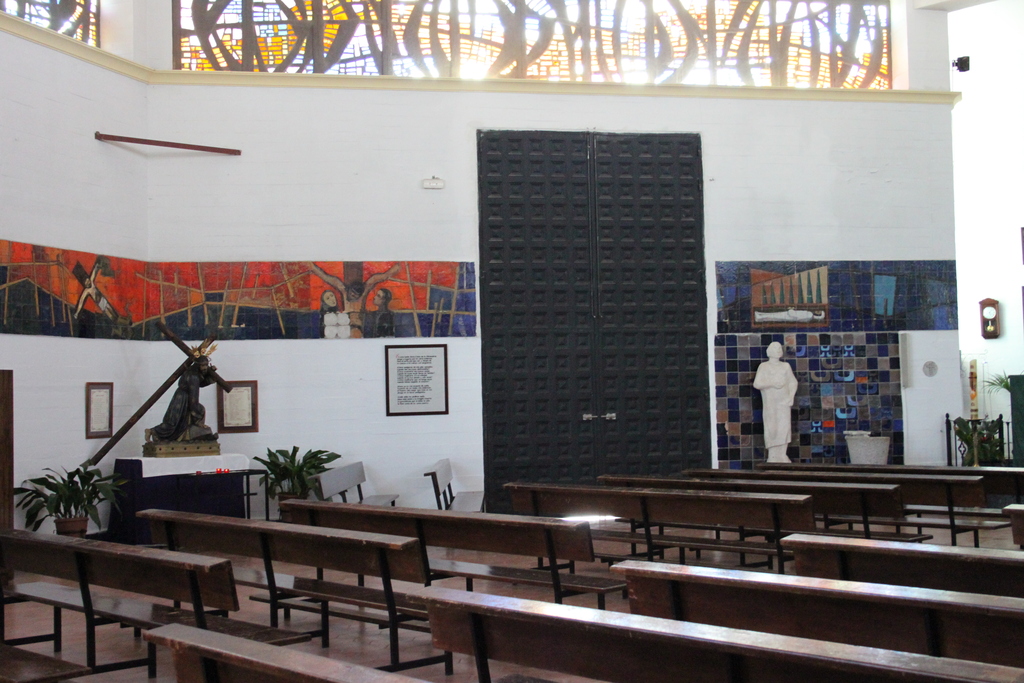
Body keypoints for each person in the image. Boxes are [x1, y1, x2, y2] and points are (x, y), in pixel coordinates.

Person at [146, 354, 217, 442]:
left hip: (182, 397)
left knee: (179, 423)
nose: (205, 368)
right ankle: (153, 431)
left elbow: (200, 382)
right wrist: (197, 418)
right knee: (174, 422)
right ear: (197, 365)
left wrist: (211, 375)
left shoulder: (191, 372)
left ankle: (158, 433)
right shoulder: (193, 377)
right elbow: (193, 399)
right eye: (202, 365)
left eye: (206, 365)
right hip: (183, 400)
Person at [752, 341, 798, 463]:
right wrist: (772, 383)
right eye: (775, 348)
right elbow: (757, 384)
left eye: (779, 348)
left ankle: (782, 454)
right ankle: (772, 455)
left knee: (784, 427)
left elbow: (793, 382)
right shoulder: (764, 366)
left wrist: (791, 397)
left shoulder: (785, 366)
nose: (778, 350)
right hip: (770, 403)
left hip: (784, 403)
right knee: (772, 427)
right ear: (769, 351)